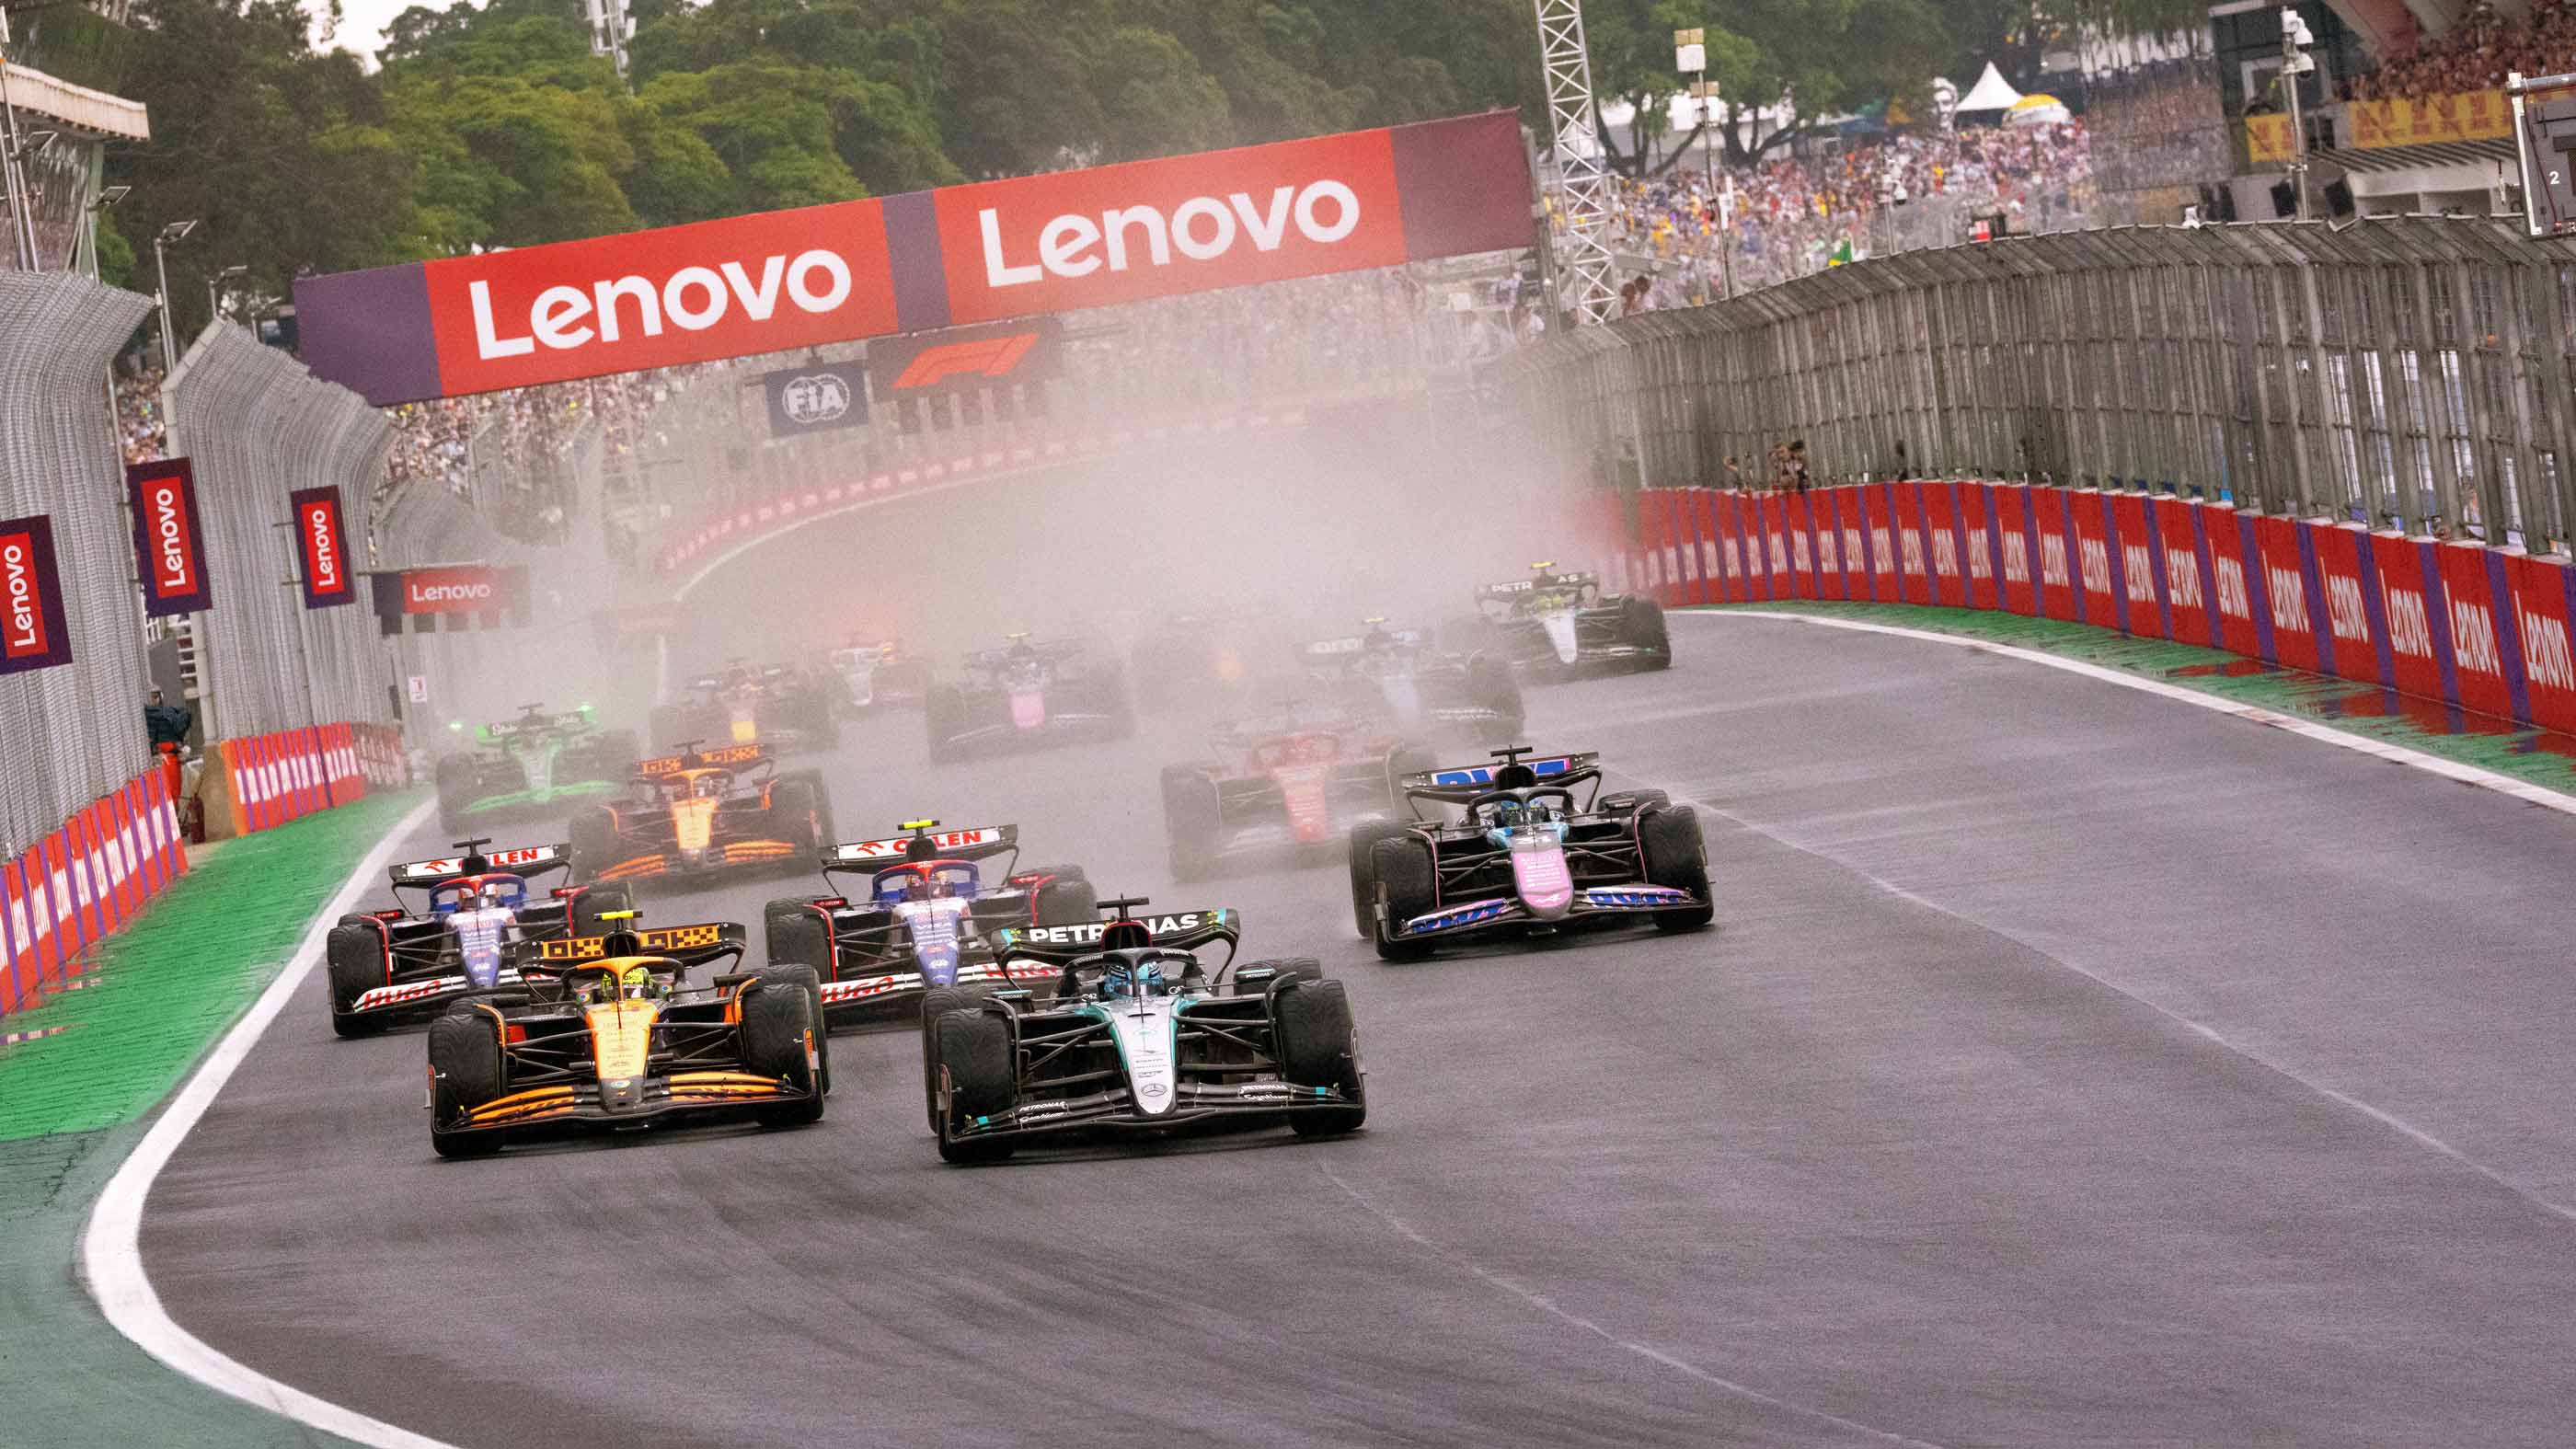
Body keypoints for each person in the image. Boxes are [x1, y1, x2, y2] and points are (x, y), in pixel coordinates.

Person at [144, 688, 192, 752]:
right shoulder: (170, 711)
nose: (153, 700)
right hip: (170, 743)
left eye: (155, 697)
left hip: (163, 745)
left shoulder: (168, 711)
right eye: (153, 697)